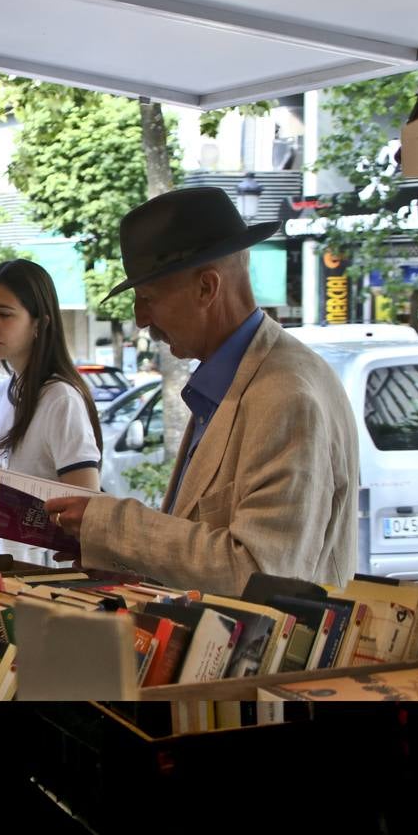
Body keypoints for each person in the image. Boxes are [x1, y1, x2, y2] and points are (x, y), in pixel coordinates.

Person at [45, 187, 359, 594]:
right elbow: (204, 546)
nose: (140, 319)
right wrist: (113, 551)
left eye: (148, 298)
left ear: (207, 289)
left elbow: (261, 574)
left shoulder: (285, 396)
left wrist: (112, 526)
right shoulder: (233, 376)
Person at [0, 259, 102, 565]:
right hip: (6, 581)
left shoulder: (61, 400)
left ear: (40, 323)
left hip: (50, 585)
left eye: (5, 314)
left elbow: (87, 513)